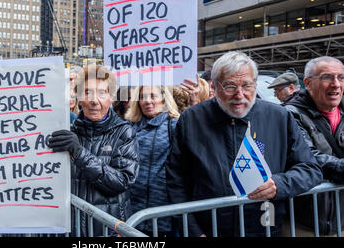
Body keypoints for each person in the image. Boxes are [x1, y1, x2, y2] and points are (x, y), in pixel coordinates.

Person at [166, 51, 323, 237]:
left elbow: (310, 169)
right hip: (209, 229)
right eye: (230, 86)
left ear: (255, 85)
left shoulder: (279, 117)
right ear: (214, 87)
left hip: (264, 226)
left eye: (247, 85)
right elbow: (176, 180)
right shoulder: (192, 119)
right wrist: (193, 230)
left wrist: (279, 185)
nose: (239, 94)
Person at [47, 65, 140, 236]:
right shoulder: (69, 132)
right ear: (79, 97)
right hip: (72, 228)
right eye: (87, 92)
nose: (94, 100)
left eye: (102, 92)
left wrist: (80, 153)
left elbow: (121, 181)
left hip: (107, 230)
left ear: (111, 97)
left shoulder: (124, 132)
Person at [284, 56, 344, 235]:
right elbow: (308, 156)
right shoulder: (289, 114)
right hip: (303, 224)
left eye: (341, 77)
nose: (336, 84)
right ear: (308, 83)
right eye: (327, 77)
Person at [125, 85, 179, 236]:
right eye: (142, 97)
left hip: (162, 209)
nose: (147, 101)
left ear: (163, 99)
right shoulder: (128, 126)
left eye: (153, 96)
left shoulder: (174, 125)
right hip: (131, 207)